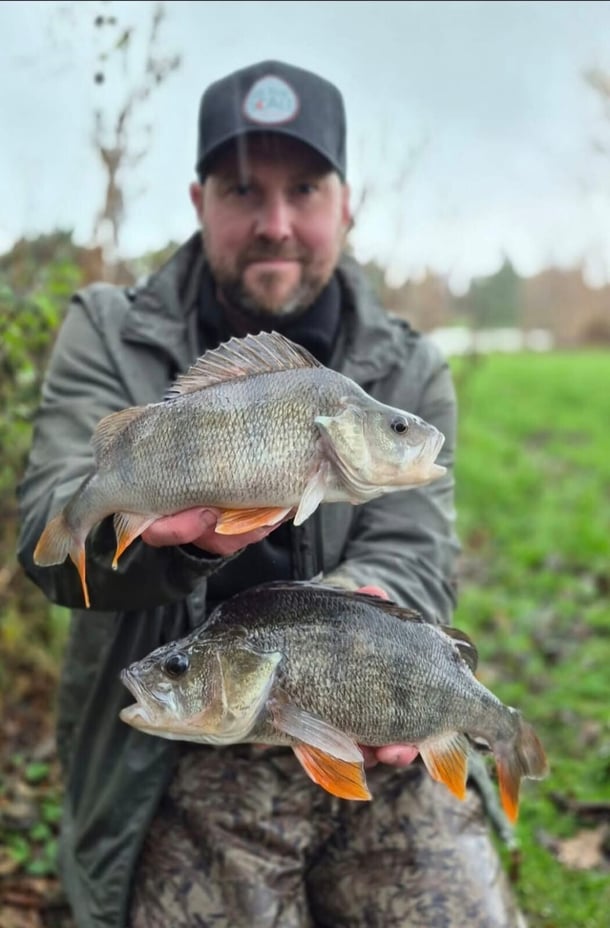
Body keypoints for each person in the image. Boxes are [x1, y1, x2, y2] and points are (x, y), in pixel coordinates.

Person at [18, 60, 525, 928]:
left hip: (363, 716)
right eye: (244, 189)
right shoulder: (106, 328)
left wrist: (367, 633)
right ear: (198, 199)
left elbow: (413, 547)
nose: (275, 223)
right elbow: (53, 527)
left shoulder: (406, 368)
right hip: (186, 743)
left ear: (346, 203)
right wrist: (180, 541)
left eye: (304, 189)